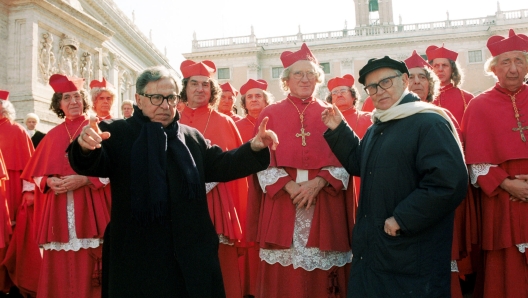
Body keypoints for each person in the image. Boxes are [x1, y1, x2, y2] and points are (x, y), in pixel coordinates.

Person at [67, 65, 277, 297]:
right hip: (137, 254)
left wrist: (254, 148)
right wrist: (85, 147)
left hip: (190, 251)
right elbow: (91, 162)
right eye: (156, 97)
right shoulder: (116, 132)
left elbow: (222, 164)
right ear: (139, 98)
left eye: (171, 98)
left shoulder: (190, 137)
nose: (165, 105)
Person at [322, 56, 468, 297]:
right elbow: (361, 164)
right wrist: (340, 130)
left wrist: (402, 218)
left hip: (412, 247)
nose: (379, 91)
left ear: (404, 80)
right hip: (377, 247)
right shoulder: (378, 125)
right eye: (372, 87)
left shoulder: (429, 121)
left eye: (386, 82)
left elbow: (448, 183)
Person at [248, 43, 355, 298]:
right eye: (298, 73)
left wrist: (318, 183)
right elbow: (259, 162)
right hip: (284, 199)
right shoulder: (270, 113)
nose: (305, 79)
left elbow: (347, 158)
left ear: (318, 78)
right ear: (286, 80)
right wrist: (290, 185)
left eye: (311, 73)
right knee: (285, 276)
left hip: (324, 199)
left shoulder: (330, 113)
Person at [21, 74, 111, 298]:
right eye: (67, 97)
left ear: (84, 100)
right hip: (58, 212)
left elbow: (114, 171)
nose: (73, 101)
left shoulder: (98, 128)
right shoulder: (51, 135)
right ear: (59, 104)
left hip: (89, 208)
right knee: (60, 268)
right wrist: (49, 181)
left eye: (77, 96)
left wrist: (85, 179)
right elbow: (36, 175)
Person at [461, 29, 528, 298]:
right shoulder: (478, 106)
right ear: (493, 68)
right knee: (506, 270)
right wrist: (509, 185)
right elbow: (475, 161)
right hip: (501, 198)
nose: (513, 69)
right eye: (505, 62)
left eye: (519, 61)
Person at [406, 49, 475, 298]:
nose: (416, 82)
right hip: (403, 202)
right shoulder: (385, 119)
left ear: (431, 83)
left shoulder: (443, 116)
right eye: (410, 77)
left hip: (439, 201)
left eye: (422, 77)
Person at [178, 60, 248, 298]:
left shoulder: (224, 121)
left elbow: (235, 166)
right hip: (178, 202)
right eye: (194, 84)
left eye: (205, 84)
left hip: (215, 203)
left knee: (220, 266)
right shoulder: (171, 119)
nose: (200, 89)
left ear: (212, 89)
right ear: (185, 88)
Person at [0, 92, 35, 296]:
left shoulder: (18, 130)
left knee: (11, 236)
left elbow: (30, 165)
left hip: (12, 191)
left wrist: (28, 192)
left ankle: (9, 282)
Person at [326, 74, 372, 219]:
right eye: (335, 92)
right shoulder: (325, 121)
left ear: (353, 96)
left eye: (343, 91)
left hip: (362, 178)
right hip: (332, 180)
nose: (338, 95)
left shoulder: (369, 118)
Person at [426, 44, 474, 124]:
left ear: (452, 69)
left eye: (444, 65)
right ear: (431, 69)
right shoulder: (425, 98)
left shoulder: (467, 98)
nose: (440, 69)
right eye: (436, 66)